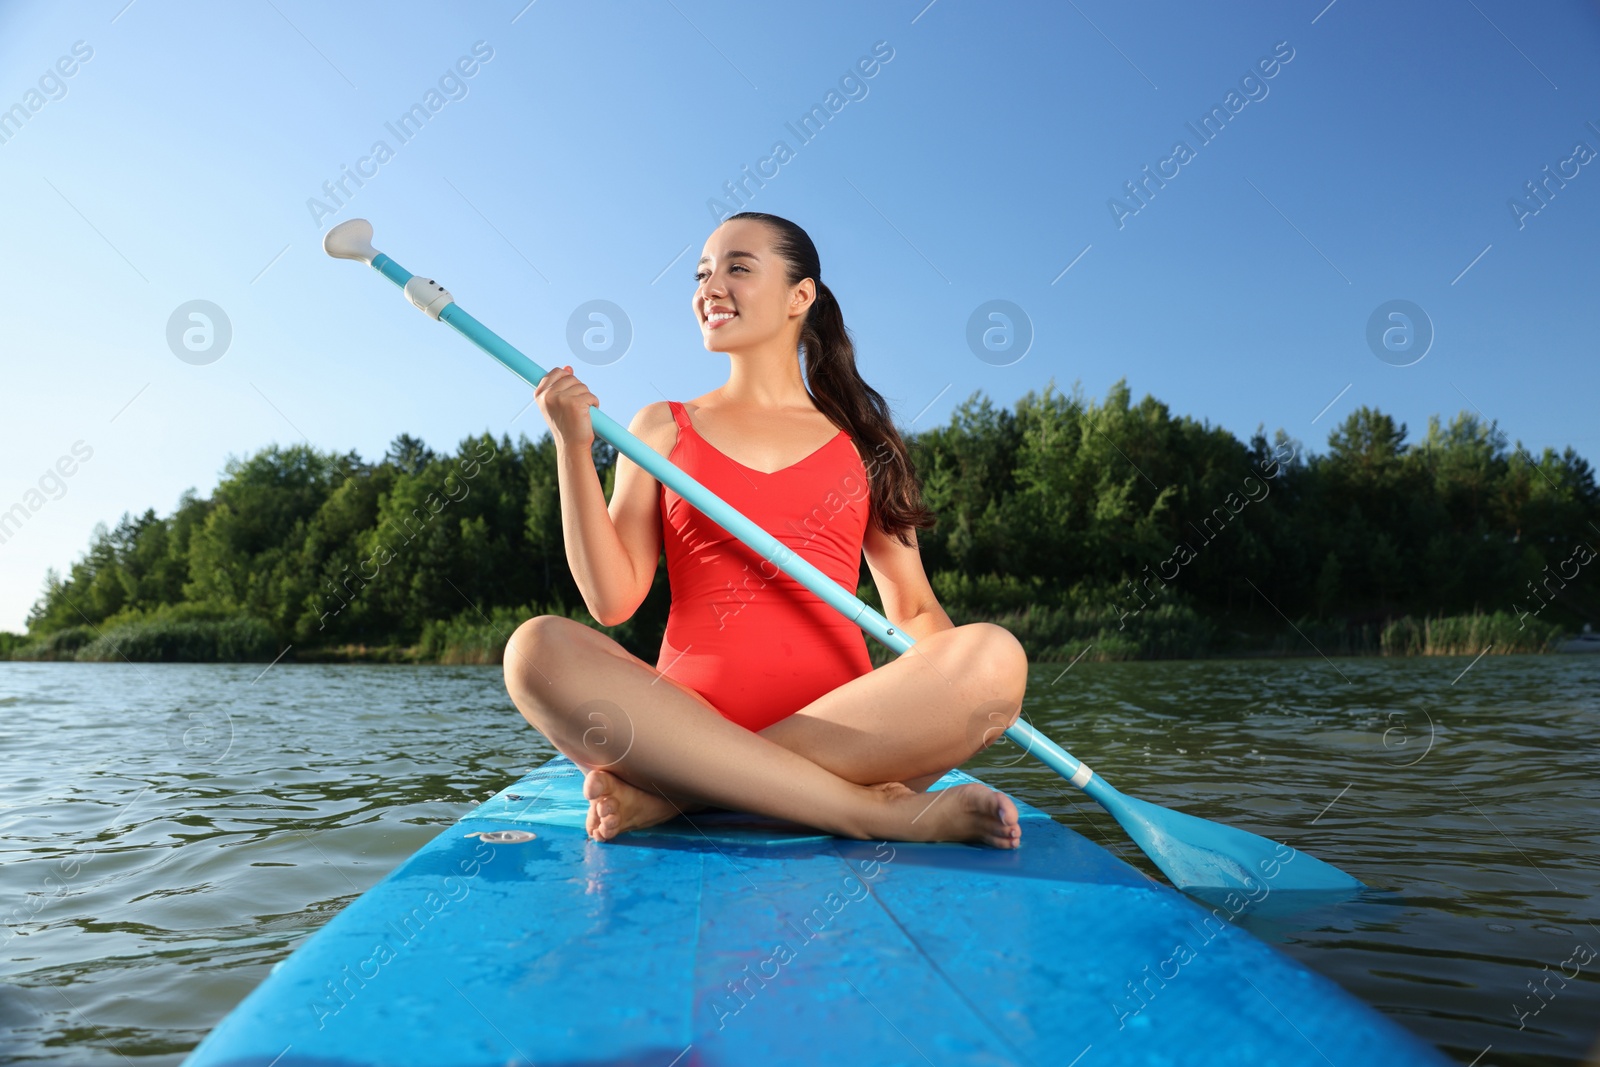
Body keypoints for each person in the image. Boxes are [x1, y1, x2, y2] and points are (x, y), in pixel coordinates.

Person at [503, 211, 1028, 848]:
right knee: (534, 651)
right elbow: (612, 601)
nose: (709, 287)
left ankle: (682, 796)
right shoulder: (660, 427)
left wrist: (963, 700)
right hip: (683, 728)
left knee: (997, 659)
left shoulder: (865, 445)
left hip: (848, 737)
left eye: (738, 268)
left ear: (799, 296)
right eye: (702, 273)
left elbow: (913, 609)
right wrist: (571, 448)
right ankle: (869, 814)